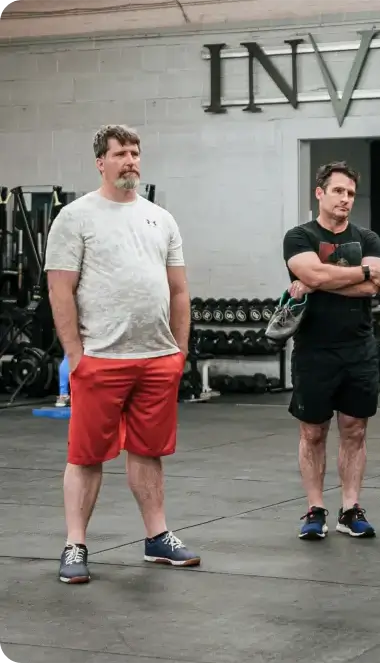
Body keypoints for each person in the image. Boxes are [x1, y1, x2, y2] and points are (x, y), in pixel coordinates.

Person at [44, 124, 200, 584]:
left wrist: (179, 351)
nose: (130, 160)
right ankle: (75, 543)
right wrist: (75, 355)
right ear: (101, 162)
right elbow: (60, 290)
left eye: (135, 153)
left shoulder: (161, 218)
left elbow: (179, 290)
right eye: (120, 154)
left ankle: (157, 537)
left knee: (149, 452)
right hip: (100, 358)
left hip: (157, 358)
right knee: (86, 455)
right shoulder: (75, 217)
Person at [282, 161, 380, 541]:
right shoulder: (299, 236)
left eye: (351, 193)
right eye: (338, 191)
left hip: (359, 348)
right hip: (314, 349)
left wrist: (318, 281)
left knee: (355, 430)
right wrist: (362, 272)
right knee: (313, 432)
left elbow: (374, 287)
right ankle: (315, 509)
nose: (345, 199)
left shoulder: (368, 238)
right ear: (320, 193)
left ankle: (350, 508)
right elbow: (316, 273)